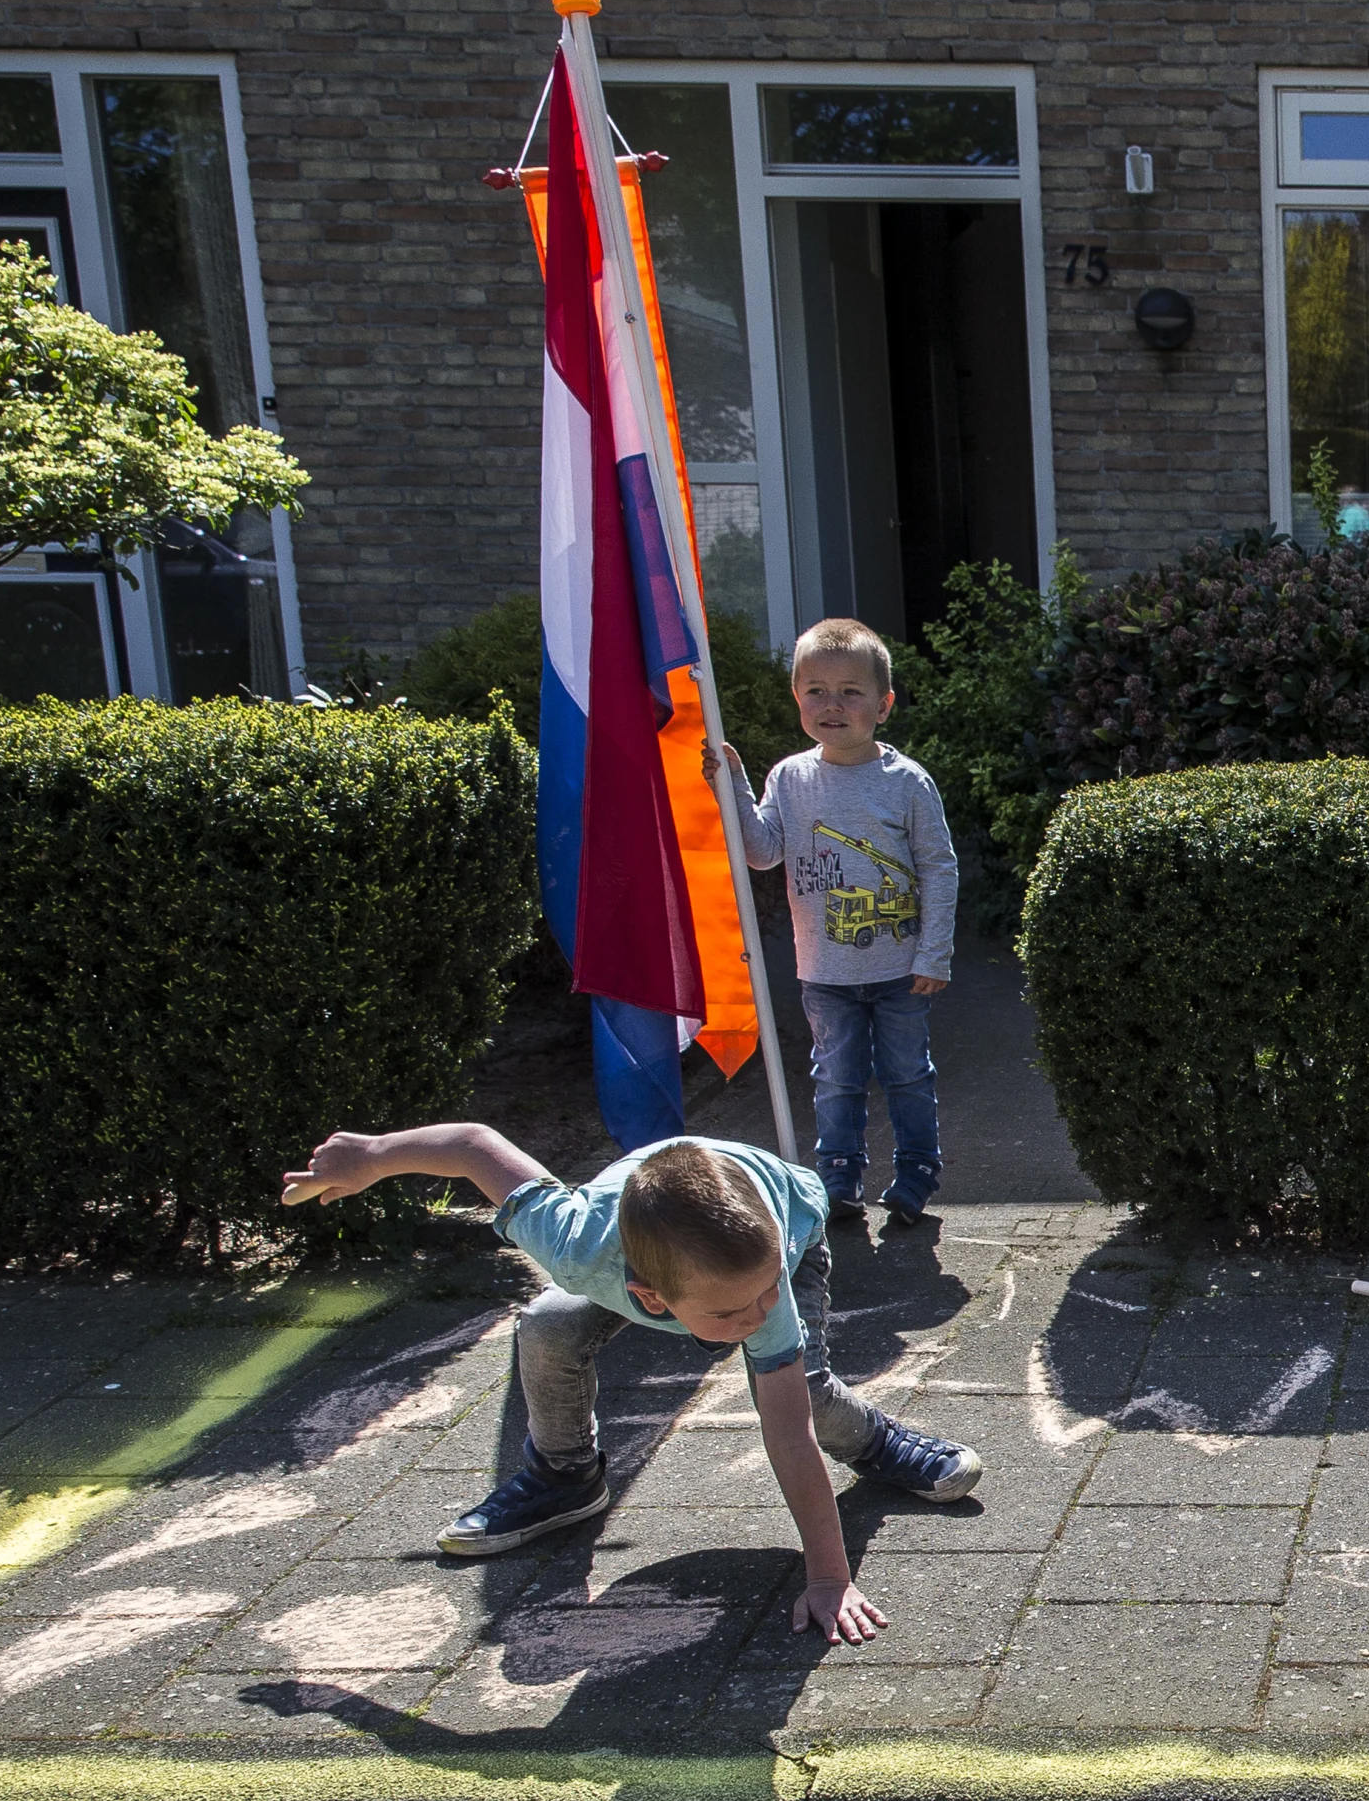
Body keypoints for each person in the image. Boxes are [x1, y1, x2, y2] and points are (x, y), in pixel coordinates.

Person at [280, 1123, 980, 1642]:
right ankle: (563, 1477)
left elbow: (787, 1437)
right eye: (730, 1312)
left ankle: (876, 1442)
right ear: (650, 1300)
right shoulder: (573, 1242)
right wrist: (372, 1157)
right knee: (548, 1327)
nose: (756, 1316)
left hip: (780, 1230)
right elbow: (470, 1146)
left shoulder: (766, 1290)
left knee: (804, 1392)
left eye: (758, 1301)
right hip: (654, 1240)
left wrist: (829, 1578)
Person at [710, 618, 959, 1225]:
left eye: (851, 691)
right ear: (797, 698)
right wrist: (732, 785)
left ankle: (917, 1170)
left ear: (884, 705)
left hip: (900, 968)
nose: (833, 705)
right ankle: (838, 1177)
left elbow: (939, 867)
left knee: (905, 1074)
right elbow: (762, 850)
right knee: (837, 1078)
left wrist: (934, 953)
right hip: (824, 970)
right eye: (816, 690)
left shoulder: (907, 783)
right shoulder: (789, 778)